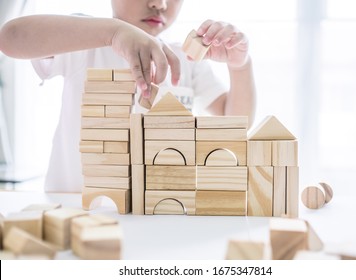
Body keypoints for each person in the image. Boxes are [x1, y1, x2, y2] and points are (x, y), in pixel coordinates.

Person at [0, 0, 257, 192]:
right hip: (77, 213)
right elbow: (10, 37)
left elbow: (234, 123)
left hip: (159, 217)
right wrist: (113, 32)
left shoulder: (187, 58)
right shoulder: (84, 37)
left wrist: (239, 65)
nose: (160, 4)